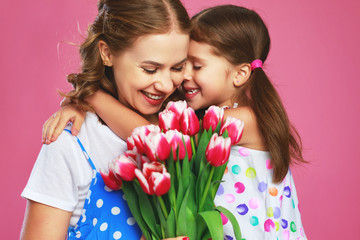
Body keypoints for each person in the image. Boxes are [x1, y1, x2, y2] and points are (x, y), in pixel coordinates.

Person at [42, 4, 307, 240]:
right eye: (184, 66)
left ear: (239, 74)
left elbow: (157, 139)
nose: (182, 78)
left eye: (196, 66)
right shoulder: (206, 113)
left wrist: (93, 96)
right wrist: (79, 106)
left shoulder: (247, 120)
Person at [20, 0, 191, 239]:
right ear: (107, 53)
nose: (165, 85)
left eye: (178, 67)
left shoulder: (191, 126)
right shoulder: (72, 144)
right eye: (150, 70)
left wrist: (93, 95)